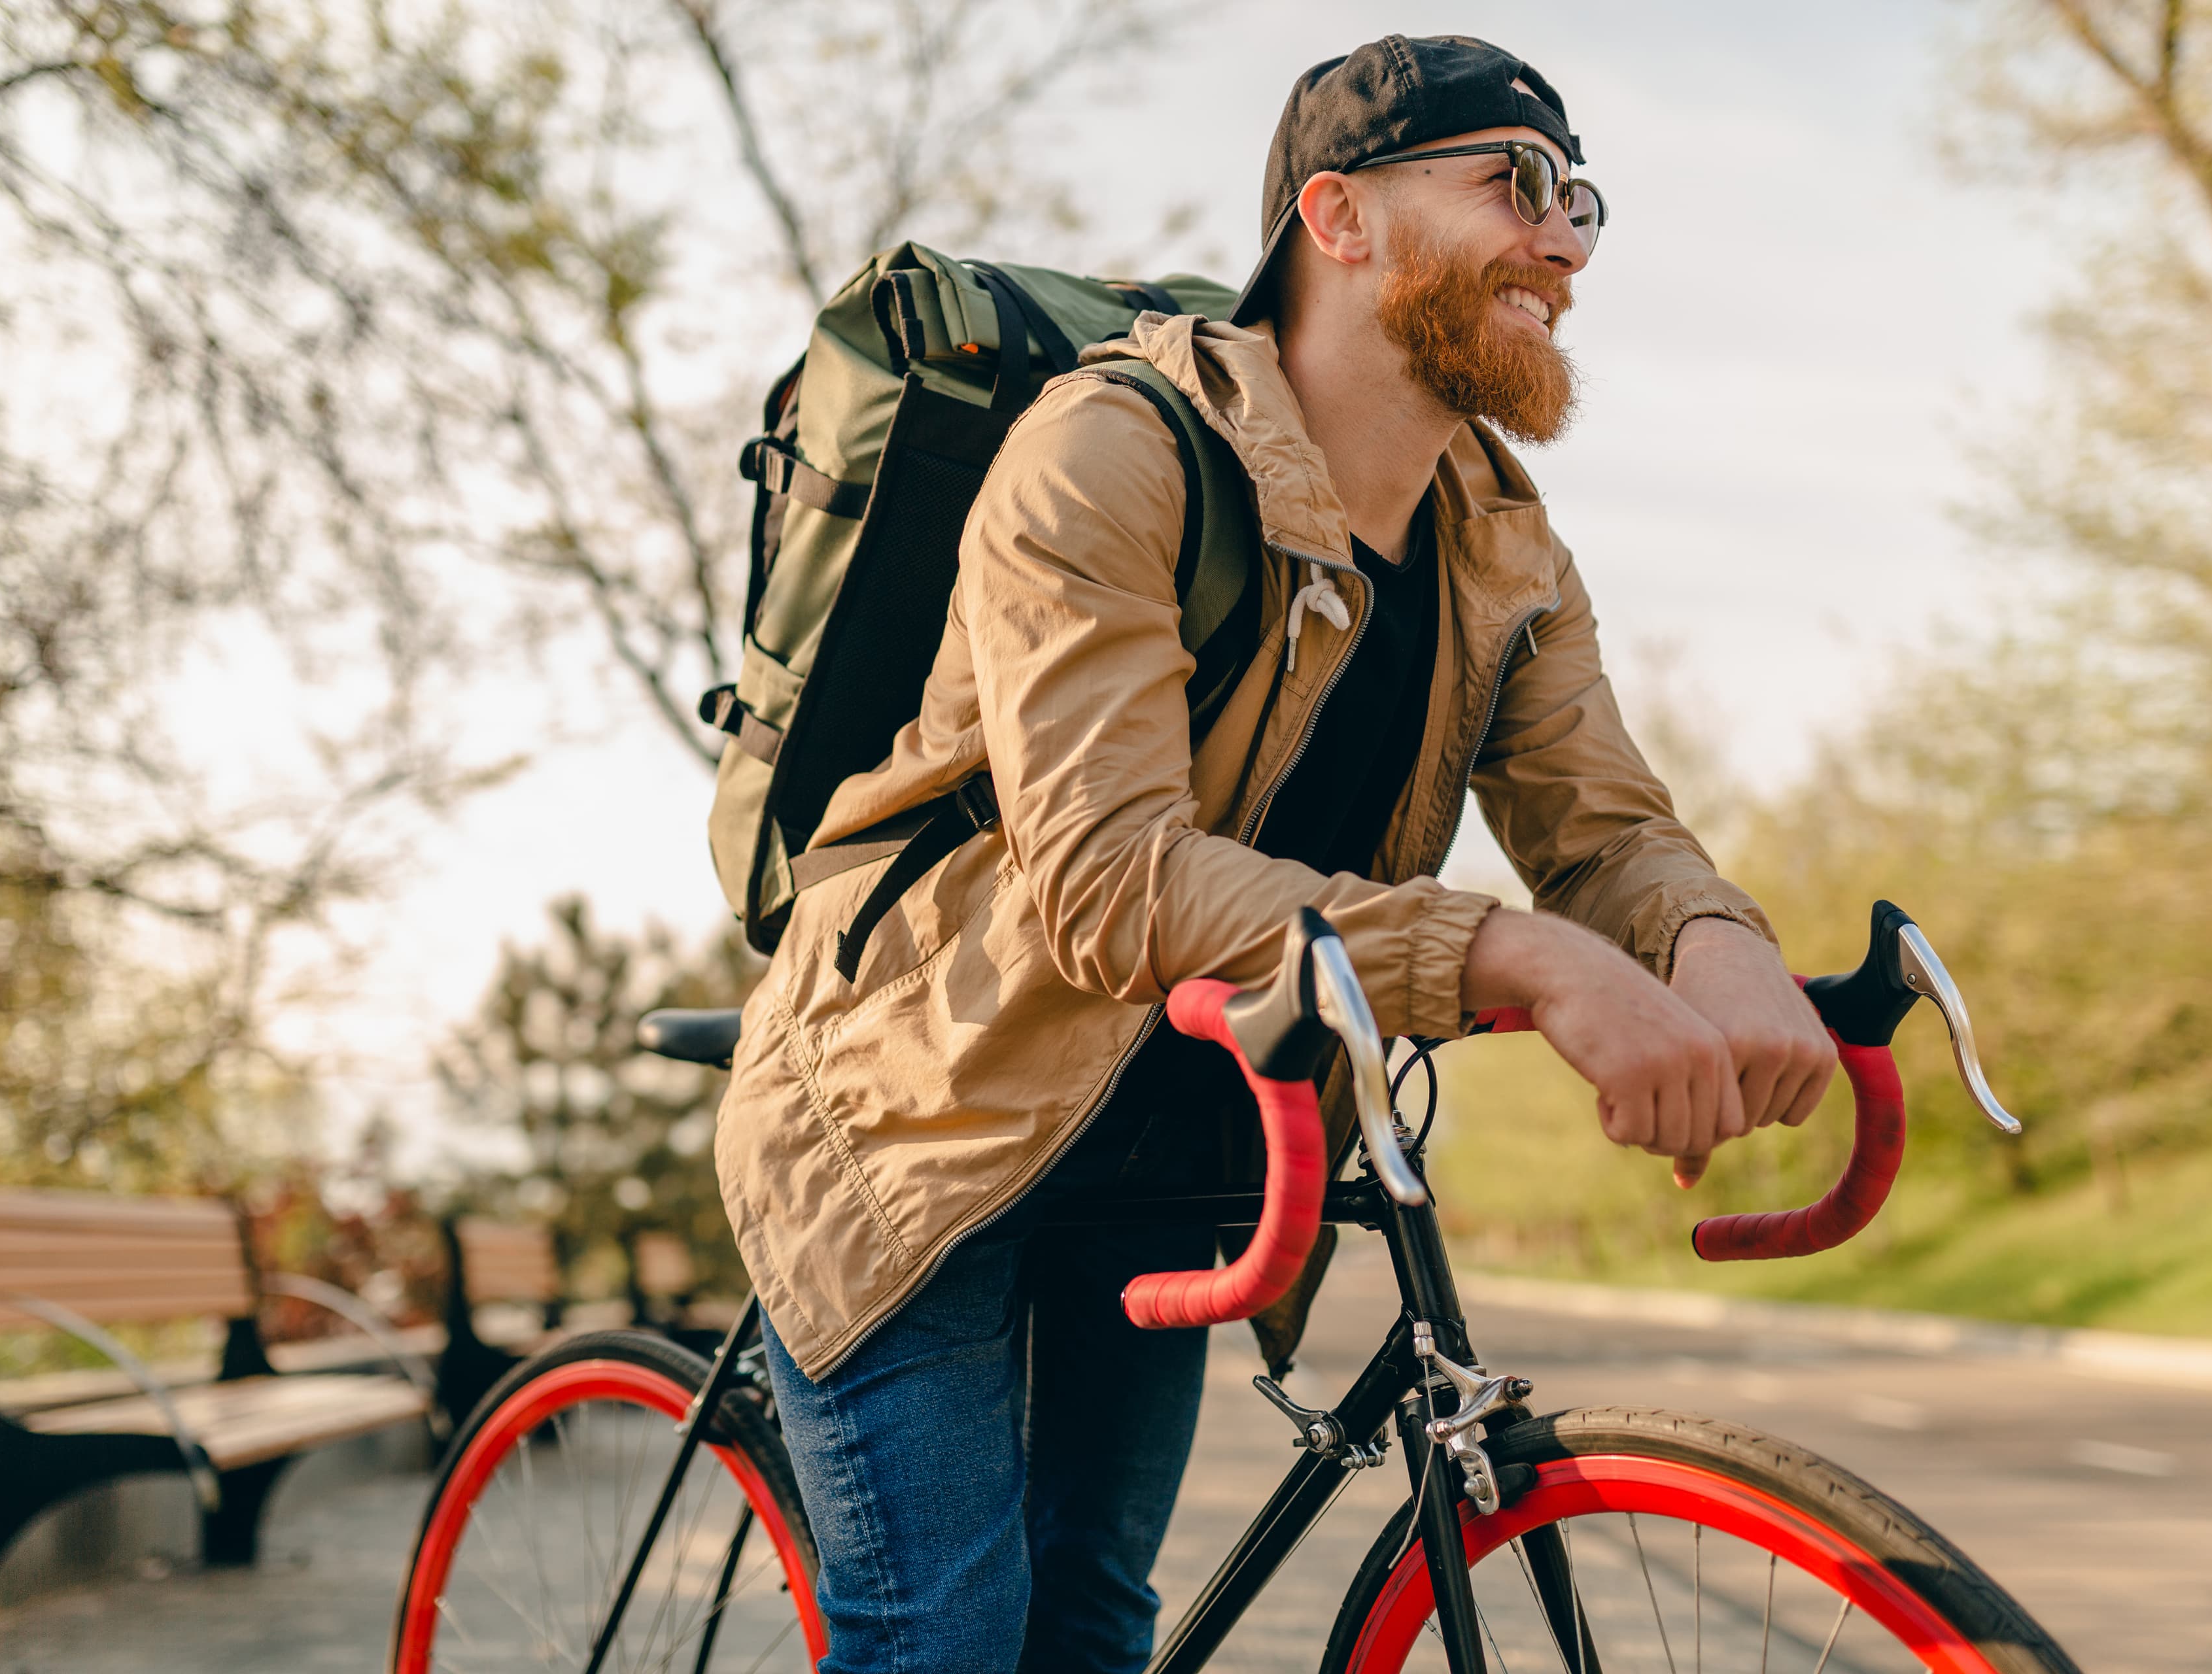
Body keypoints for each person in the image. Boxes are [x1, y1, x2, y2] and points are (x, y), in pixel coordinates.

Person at [712, 34, 1839, 1674]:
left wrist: (1714, 944)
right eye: (1514, 185)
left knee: (1093, 1624)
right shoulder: (1109, 449)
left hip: (1161, 1141)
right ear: (1340, 215)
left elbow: (1606, 825)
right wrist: (1510, 951)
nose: (1567, 243)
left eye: (1582, 202)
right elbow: (1109, 877)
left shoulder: (1504, 546)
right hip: (915, 1109)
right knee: (950, 1636)